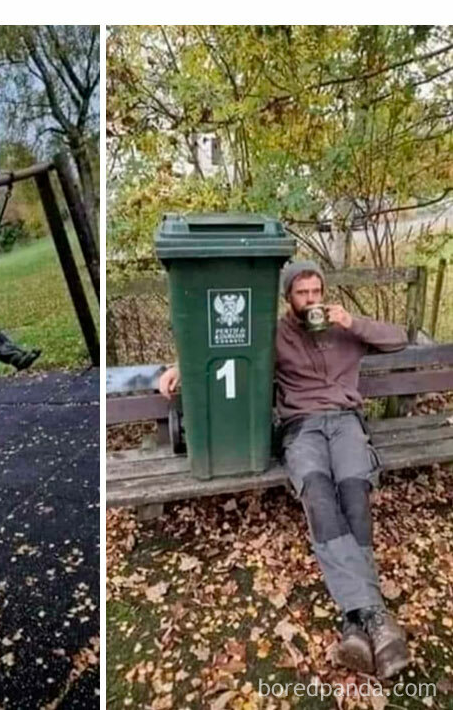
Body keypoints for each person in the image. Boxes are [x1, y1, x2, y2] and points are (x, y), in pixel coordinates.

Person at [159, 260, 410, 679]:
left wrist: (354, 321)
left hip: (346, 423)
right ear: (288, 297)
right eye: (302, 293)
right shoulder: (274, 334)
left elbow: (398, 339)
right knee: (318, 495)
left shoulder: (344, 327)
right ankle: (375, 616)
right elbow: (225, 351)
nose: (311, 300)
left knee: (355, 497)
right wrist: (178, 368)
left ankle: (354, 621)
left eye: (317, 292)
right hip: (302, 428)